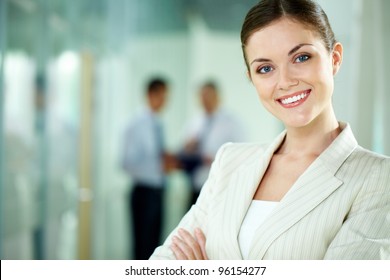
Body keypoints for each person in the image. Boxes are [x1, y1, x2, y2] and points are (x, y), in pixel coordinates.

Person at [150, 0, 390, 260]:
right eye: (265, 68)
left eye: (301, 57)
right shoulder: (230, 161)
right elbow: (163, 263)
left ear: (335, 59)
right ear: (251, 79)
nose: (285, 81)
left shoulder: (378, 178)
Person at [121, 77, 175, 259]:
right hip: (144, 192)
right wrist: (157, 167)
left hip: (158, 191)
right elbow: (126, 162)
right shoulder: (136, 124)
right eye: (163, 96)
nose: (166, 101)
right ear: (151, 95)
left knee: (155, 247)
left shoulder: (157, 123)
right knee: (142, 248)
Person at [177, 81, 245, 209]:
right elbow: (181, 152)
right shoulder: (193, 123)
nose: (205, 100)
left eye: (208, 96)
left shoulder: (231, 123)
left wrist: (216, 159)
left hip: (220, 187)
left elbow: (240, 154)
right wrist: (188, 147)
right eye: (202, 96)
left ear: (217, 97)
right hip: (196, 186)